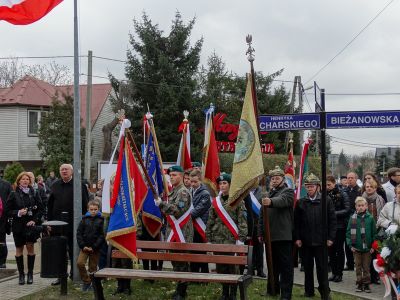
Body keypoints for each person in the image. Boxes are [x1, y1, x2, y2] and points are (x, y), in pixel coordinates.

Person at [294, 173, 336, 299]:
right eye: (307, 186)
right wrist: (297, 238)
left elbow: (332, 220)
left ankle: (324, 291)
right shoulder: (301, 202)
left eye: (311, 186)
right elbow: (296, 222)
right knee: (307, 268)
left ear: (318, 187)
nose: (309, 189)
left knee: (322, 268)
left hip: (321, 241)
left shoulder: (326, 200)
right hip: (306, 241)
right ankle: (309, 291)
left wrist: (330, 238)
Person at [206, 173, 247, 300]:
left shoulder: (238, 200)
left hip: (232, 240)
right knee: (221, 267)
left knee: (233, 268)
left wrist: (241, 239)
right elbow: (210, 220)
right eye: (220, 184)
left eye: (225, 183)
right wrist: (208, 238)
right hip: (218, 240)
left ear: (230, 185)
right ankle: (224, 292)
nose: (222, 186)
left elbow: (242, 221)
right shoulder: (215, 202)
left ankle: (233, 294)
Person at [47, 163, 89, 285]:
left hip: (74, 225)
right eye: (62, 169)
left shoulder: (79, 185)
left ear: (71, 171)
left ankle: (74, 275)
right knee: (59, 252)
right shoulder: (55, 186)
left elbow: (86, 204)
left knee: (73, 251)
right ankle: (61, 276)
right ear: (59, 172)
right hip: (57, 225)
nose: (64, 171)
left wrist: (84, 223)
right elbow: (49, 206)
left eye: (66, 169)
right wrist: (49, 223)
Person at [155, 165, 193, 300]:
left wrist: (161, 205)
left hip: (182, 233)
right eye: (170, 175)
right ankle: (179, 289)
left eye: (175, 175)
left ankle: (182, 292)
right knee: (175, 261)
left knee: (182, 261)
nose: (172, 177)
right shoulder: (173, 191)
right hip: (173, 232)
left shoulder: (182, 192)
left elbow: (177, 211)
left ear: (182, 176)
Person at [258, 166, 294, 300]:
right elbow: (262, 215)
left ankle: (286, 294)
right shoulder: (268, 194)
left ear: (283, 179)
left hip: (283, 236)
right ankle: (272, 290)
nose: (274, 180)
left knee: (285, 268)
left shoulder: (288, 191)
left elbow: (283, 201)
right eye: (272, 178)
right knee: (272, 266)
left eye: (277, 178)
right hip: (269, 236)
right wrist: (260, 232)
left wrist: (271, 201)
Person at [6, 172, 43, 285]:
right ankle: (21, 275)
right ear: (18, 181)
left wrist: (34, 220)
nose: (25, 181)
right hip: (18, 226)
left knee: (30, 248)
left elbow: (40, 209)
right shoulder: (13, 194)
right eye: (23, 179)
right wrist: (18, 212)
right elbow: (7, 211)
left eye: (27, 179)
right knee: (19, 249)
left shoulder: (34, 192)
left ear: (30, 181)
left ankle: (30, 274)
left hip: (30, 225)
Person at [346, 197, 376, 293]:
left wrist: (373, 247)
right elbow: (348, 233)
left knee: (366, 267)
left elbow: (374, 234)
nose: (361, 207)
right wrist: (350, 245)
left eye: (363, 205)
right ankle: (359, 283)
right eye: (359, 206)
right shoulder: (352, 218)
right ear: (355, 207)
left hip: (367, 249)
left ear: (366, 206)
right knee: (358, 267)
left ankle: (366, 284)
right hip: (356, 248)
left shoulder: (370, 218)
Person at [377, 185, 400, 300]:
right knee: (393, 270)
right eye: (399, 193)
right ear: (395, 194)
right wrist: (390, 225)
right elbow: (380, 219)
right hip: (393, 244)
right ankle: (395, 296)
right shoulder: (389, 206)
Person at [76, 200, 104, 291]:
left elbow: (101, 235)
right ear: (88, 209)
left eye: (95, 209)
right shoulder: (84, 220)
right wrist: (83, 245)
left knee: (93, 267)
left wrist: (94, 247)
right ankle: (86, 281)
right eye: (91, 209)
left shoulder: (101, 220)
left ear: (98, 209)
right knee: (80, 263)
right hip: (84, 247)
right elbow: (79, 233)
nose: (93, 211)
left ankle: (93, 284)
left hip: (95, 249)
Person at [326, 175, 350, 283]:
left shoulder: (342, 194)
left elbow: (347, 209)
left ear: (334, 183)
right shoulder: (324, 194)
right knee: (330, 251)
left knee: (339, 250)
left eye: (329, 184)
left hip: (340, 226)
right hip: (328, 226)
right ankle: (334, 272)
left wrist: (332, 214)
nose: (327, 187)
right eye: (325, 185)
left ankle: (339, 274)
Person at [189, 169, 211, 274]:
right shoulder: (189, 191)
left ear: (200, 180)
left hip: (200, 226)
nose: (192, 184)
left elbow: (198, 210)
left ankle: (204, 275)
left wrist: (184, 217)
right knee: (193, 250)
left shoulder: (205, 194)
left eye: (195, 182)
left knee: (201, 251)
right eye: (191, 181)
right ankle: (194, 274)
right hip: (191, 226)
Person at [343, 172, 361, 271]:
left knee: (357, 241)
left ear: (356, 179)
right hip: (346, 220)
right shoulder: (344, 190)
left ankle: (358, 264)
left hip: (357, 219)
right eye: (348, 178)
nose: (349, 179)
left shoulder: (359, 190)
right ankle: (349, 263)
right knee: (348, 242)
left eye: (351, 178)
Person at [0, 177, 12, 268]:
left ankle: (2, 261)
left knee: (1, 239)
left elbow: (11, 200)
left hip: (3, 217)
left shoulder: (6, 184)